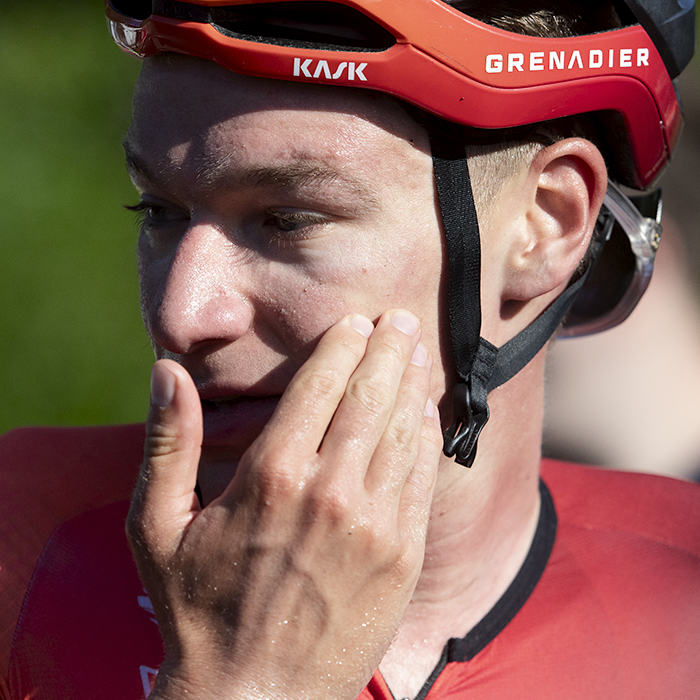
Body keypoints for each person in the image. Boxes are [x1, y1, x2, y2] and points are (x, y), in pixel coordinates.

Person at [2, 0, 699, 698]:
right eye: (160, 212)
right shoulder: (19, 544)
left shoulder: (682, 594)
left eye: (287, 221)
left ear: (544, 226)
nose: (180, 316)